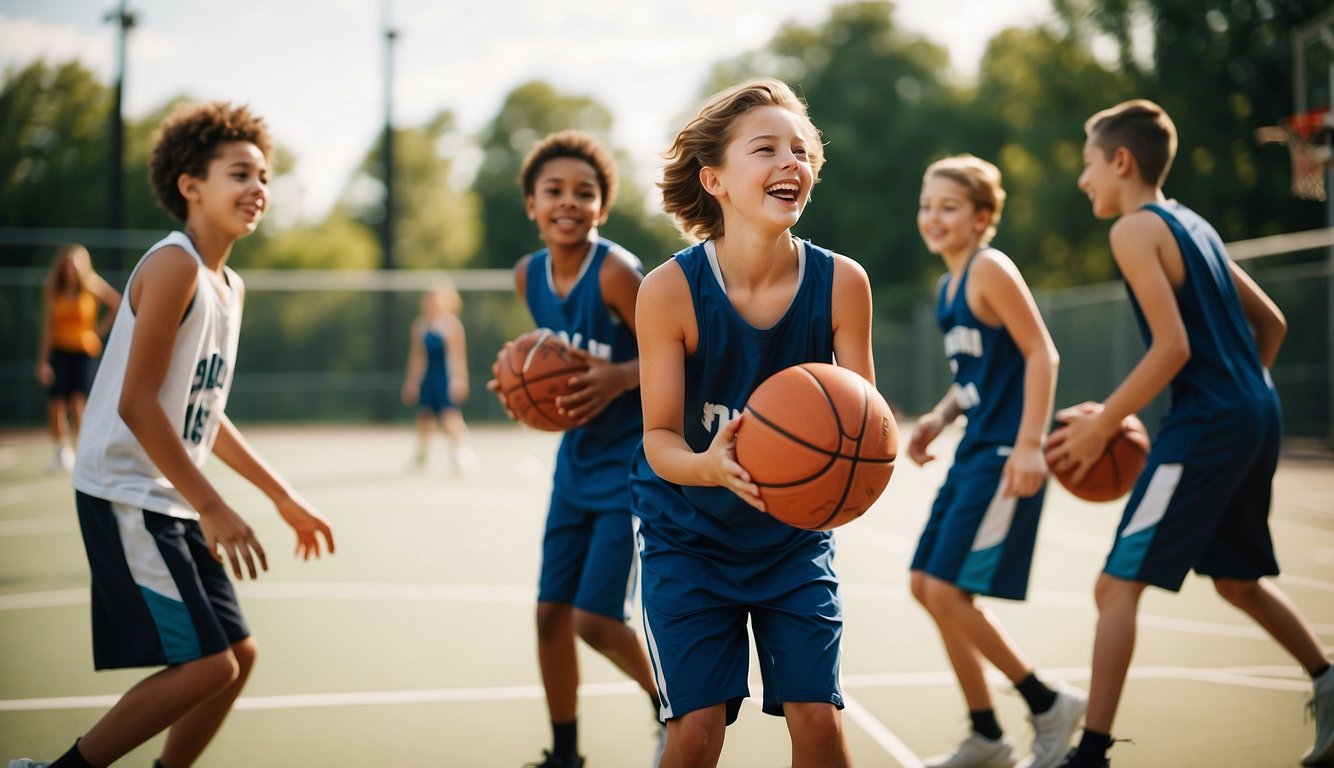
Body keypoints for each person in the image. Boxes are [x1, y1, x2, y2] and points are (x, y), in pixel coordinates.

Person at [7, 101, 335, 768]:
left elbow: (203, 413)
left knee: (238, 658)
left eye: (265, 177)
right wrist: (213, 504)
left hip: (169, 494)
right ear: (191, 185)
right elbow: (136, 403)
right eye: (239, 173)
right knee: (209, 666)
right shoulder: (175, 265)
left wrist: (281, 497)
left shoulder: (229, 286)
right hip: (127, 490)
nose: (258, 189)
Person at [1049, 98, 1332, 768]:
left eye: (1088, 165)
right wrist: (1241, 394)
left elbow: (1171, 349)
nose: (1084, 180)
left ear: (1121, 161)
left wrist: (1103, 427)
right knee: (1236, 579)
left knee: (1115, 586)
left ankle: (1090, 754)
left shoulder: (1134, 230)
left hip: (1208, 422)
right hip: (1255, 414)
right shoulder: (1193, 225)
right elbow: (1273, 324)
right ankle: (1328, 680)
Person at [630, 77, 872, 768]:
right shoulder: (670, 291)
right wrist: (709, 467)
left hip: (791, 540)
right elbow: (659, 440)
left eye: (801, 150)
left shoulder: (843, 284)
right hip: (689, 536)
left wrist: (847, 482)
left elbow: (863, 427)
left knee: (819, 728)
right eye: (765, 148)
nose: (790, 161)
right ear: (715, 179)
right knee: (698, 732)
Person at [488, 129, 661, 768]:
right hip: (576, 465)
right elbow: (545, 360)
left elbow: (681, 348)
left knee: (594, 618)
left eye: (584, 193)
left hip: (633, 465)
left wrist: (620, 376)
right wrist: (519, 384)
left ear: (602, 207)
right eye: (553, 191)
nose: (569, 202)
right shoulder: (527, 275)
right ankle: (565, 754)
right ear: (530, 204)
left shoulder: (616, 272)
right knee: (549, 615)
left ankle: (666, 701)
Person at [908, 155, 1084, 768]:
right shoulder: (948, 284)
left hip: (1008, 450)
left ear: (982, 218)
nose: (934, 217)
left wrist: (1032, 443)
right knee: (923, 586)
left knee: (950, 591)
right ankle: (988, 734)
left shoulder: (990, 269)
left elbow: (1042, 354)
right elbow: (978, 374)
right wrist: (938, 415)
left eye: (949, 207)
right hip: (974, 445)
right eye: (928, 206)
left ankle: (1047, 703)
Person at [35, 244, 121, 473]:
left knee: (78, 403)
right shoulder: (56, 289)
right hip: (59, 351)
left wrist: (96, 332)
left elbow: (118, 304)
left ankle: (82, 450)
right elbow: (48, 328)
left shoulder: (92, 285)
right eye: (68, 263)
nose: (71, 268)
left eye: (75, 263)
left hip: (83, 351)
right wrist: (43, 360)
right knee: (55, 404)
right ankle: (62, 452)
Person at [401, 280, 475, 474]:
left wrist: (459, 380)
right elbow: (417, 357)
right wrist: (412, 382)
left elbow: (457, 357)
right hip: (428, 378)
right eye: (428, 300)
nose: (431, 304)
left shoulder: (451, 325)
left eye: (435, 300)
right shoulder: (420, 325)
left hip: (445, 378)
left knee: (450, 418)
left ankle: (460, 453)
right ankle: (421, 457)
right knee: (424, 418)